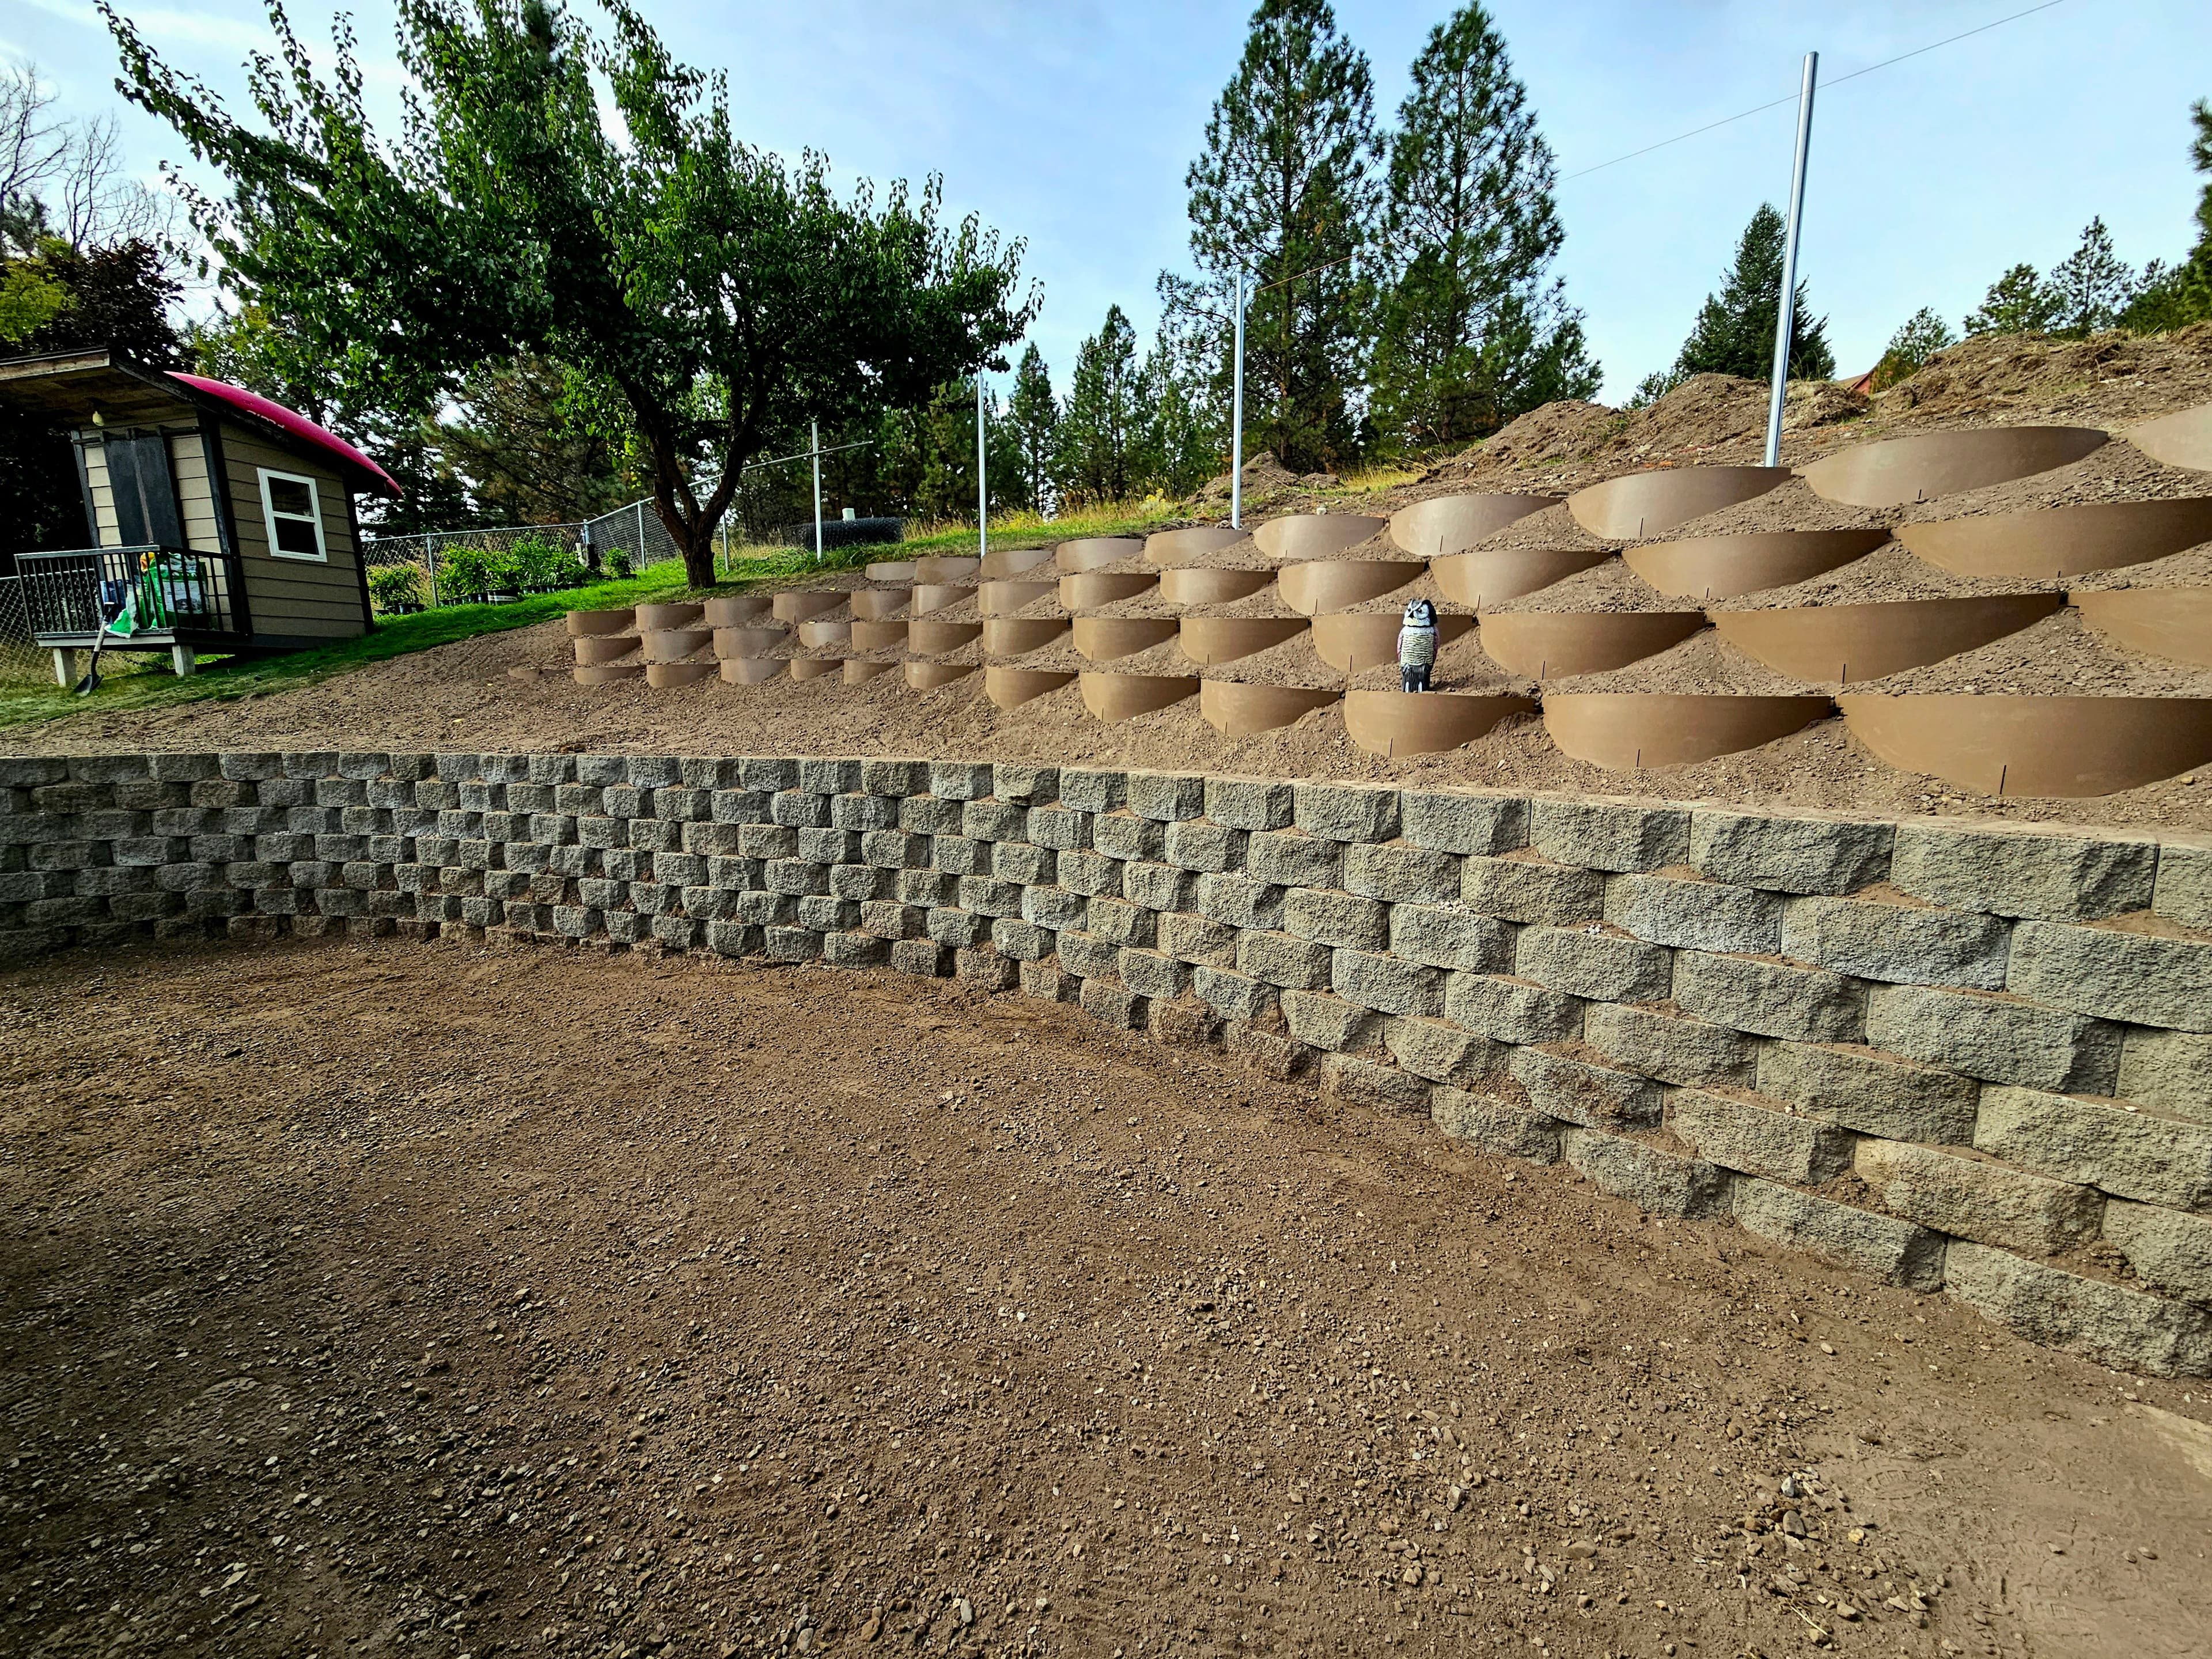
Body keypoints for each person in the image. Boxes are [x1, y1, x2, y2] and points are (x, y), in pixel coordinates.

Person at [1397, 597, 1438, 693]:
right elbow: (1400, 649)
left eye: (1420, 611)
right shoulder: (1405, 631)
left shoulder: (1432, 631)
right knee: (1407, 680)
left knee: (1423, 680)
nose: (1412, 614)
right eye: (1410, 610)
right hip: (1407, 665)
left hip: (1424, 665)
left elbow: (1434, 650)